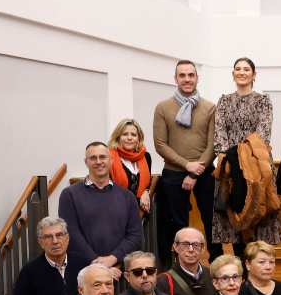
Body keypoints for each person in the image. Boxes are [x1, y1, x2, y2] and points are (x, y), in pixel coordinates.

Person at [212, 57, 281, 255]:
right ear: (233, 73)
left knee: (259, 211)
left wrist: (242, 156)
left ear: (254, 74)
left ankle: (259, 267)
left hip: (256, 163)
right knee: (233, 216)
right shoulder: (224, 101)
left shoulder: (263, 101)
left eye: (246, 69)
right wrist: (229, 159)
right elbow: (219, 132)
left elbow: (262, 133)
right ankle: (240, 273)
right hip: (229, 167)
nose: (242, 72)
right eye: (238, 69)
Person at [153, 59, 220, 265]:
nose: (187, 79)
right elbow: (160, 144)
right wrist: (186, 165)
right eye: (182, 75)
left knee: (212, 222)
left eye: (191, 75)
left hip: (205, 172)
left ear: (197, 78)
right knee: (176, 224)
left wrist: (194, 172)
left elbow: (213, 144)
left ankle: (216, 263)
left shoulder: (210, 108)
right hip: (173, 173)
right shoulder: (163, 108)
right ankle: (179, 265)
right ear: (175, 79)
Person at [58, 141, 143, 279]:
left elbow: (135, 236)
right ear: (86, 162)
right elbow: (71, 233)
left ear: (111, 160)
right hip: (83, 274)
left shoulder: (127, 196)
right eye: (93, 158)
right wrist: (99, 266)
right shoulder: (69, 195)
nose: (98, 161)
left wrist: (113, 258)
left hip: (119, 273)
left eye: (103, 157)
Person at [157, 228, 215, 295]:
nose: (191, 249)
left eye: (196, 245)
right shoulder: (163, 282)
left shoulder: (213, 276)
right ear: (175, 247)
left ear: (203, 248)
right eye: (185, 244)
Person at [107, 119, 153, 219]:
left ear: (138, 138)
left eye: (133, 135)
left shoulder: (146, 157)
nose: (129, 138)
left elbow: (147, 183)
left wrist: (146, 192)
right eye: (125, 134)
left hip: (140, 214)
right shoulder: (108, 157)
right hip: (116, 214)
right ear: (118, 137)